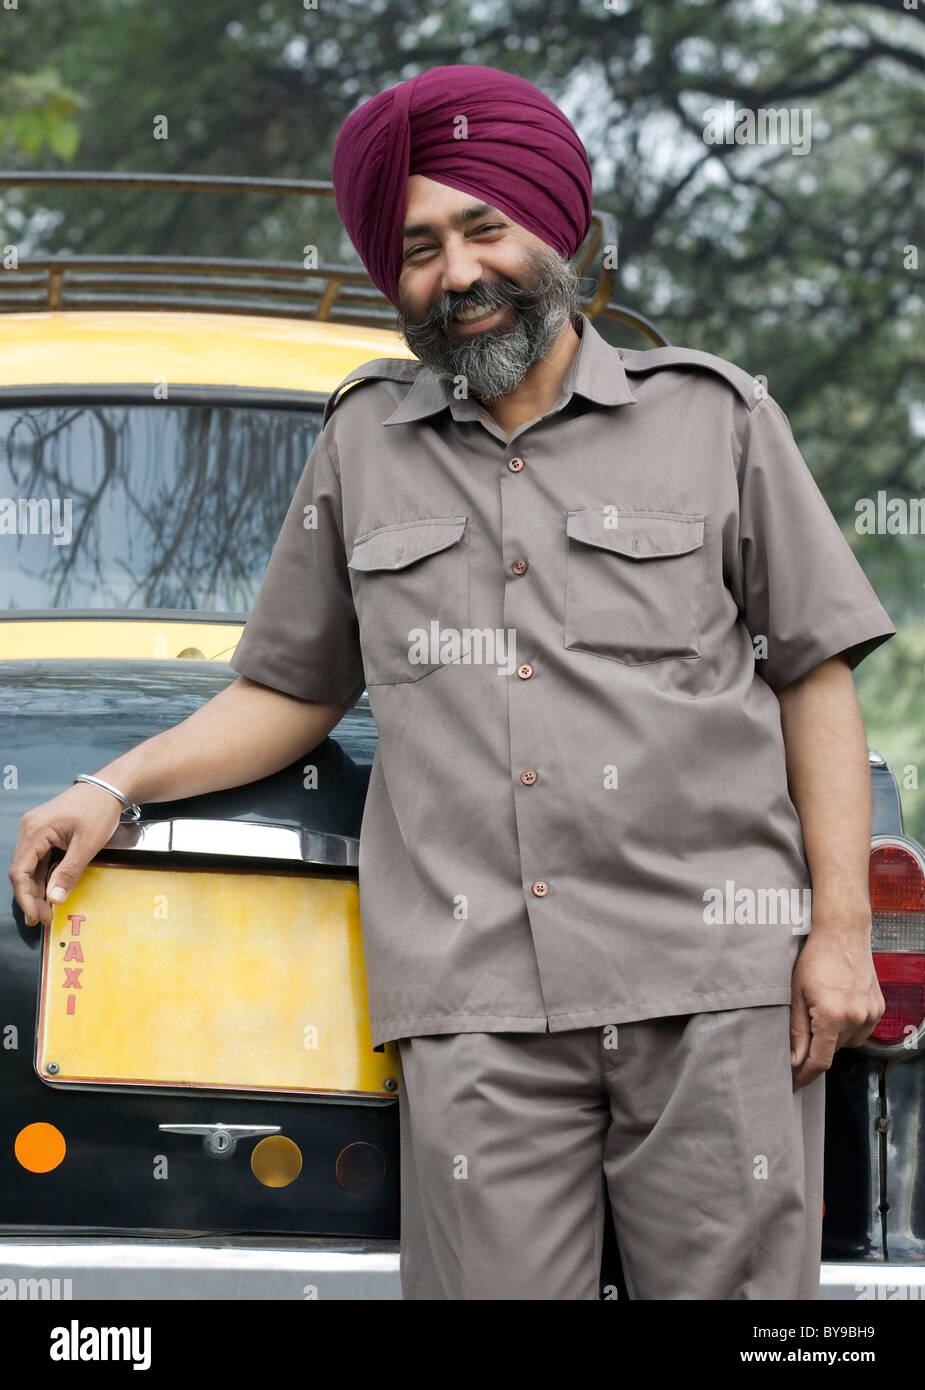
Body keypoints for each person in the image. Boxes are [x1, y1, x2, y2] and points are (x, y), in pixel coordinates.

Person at [10, 64, 896, 1301]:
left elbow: (812, 677)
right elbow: (290, 688)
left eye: (484, 228)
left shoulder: (715, 420)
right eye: (419, 247)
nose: (457, 274)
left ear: (559, 232)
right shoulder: (362, 440)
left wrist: (840, 938)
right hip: (477, 1012)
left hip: (717, 993)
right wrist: (115, 784)